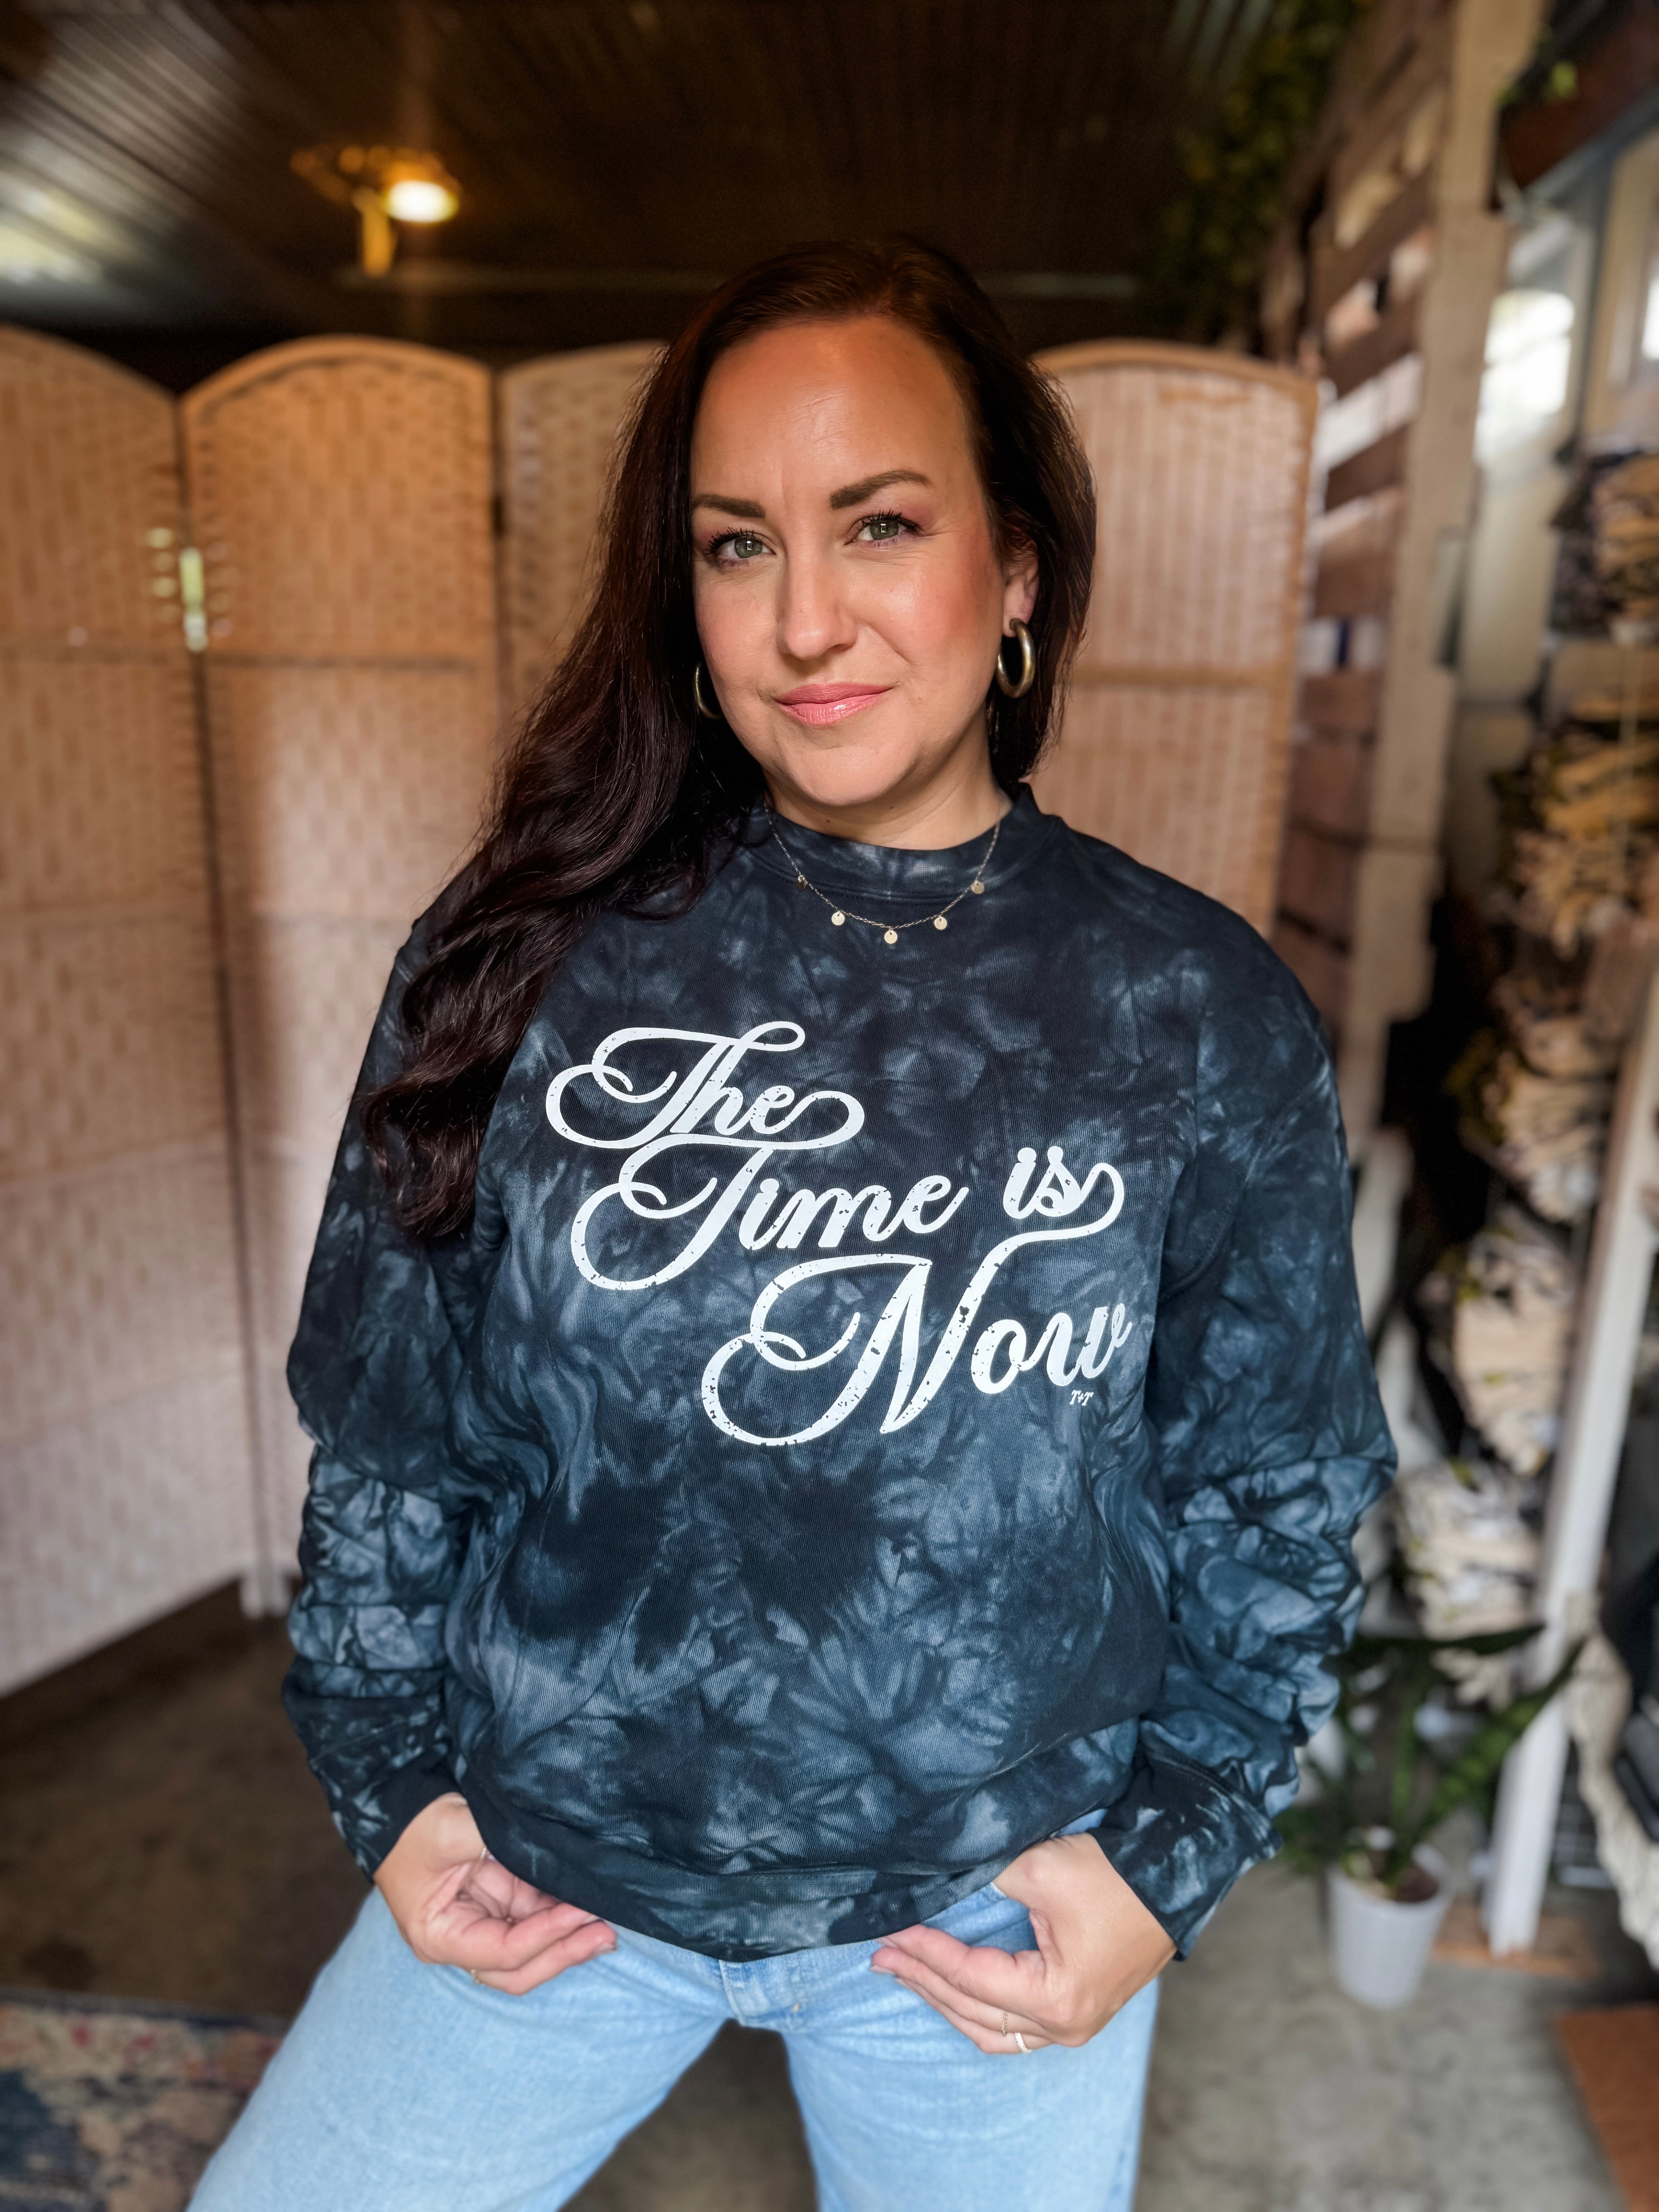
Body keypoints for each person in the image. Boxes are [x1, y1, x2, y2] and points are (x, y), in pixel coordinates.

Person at [191, 238, 1392, 2212]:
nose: (807, 620)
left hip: (986, 1911)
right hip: (549, 1861)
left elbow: (1274, 1480)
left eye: (881, 525)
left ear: (1017, 567)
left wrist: (1169, 1859)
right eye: (738, 545)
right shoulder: (526, 960)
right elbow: (397, 1429)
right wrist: (389, 1784)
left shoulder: (1188, 1007)